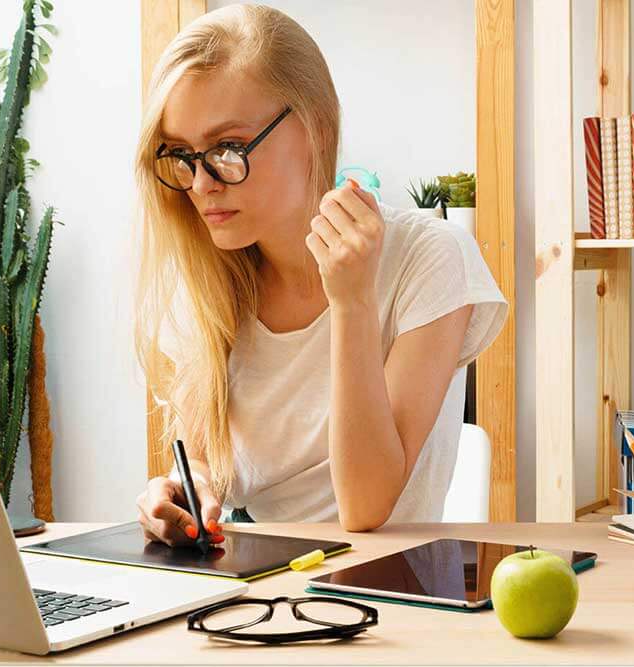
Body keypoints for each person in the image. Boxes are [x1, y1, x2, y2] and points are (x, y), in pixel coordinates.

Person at [133, 4, 507, 547]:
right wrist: (183, 495)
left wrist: (351, 301)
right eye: (183, 155)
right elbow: (206, 468)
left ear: (315, 127)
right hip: (254, 585)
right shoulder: (205, 279)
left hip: (395, 589)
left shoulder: (430, 257)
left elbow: (366, 506)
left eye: (228, 149)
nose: (200, 183)